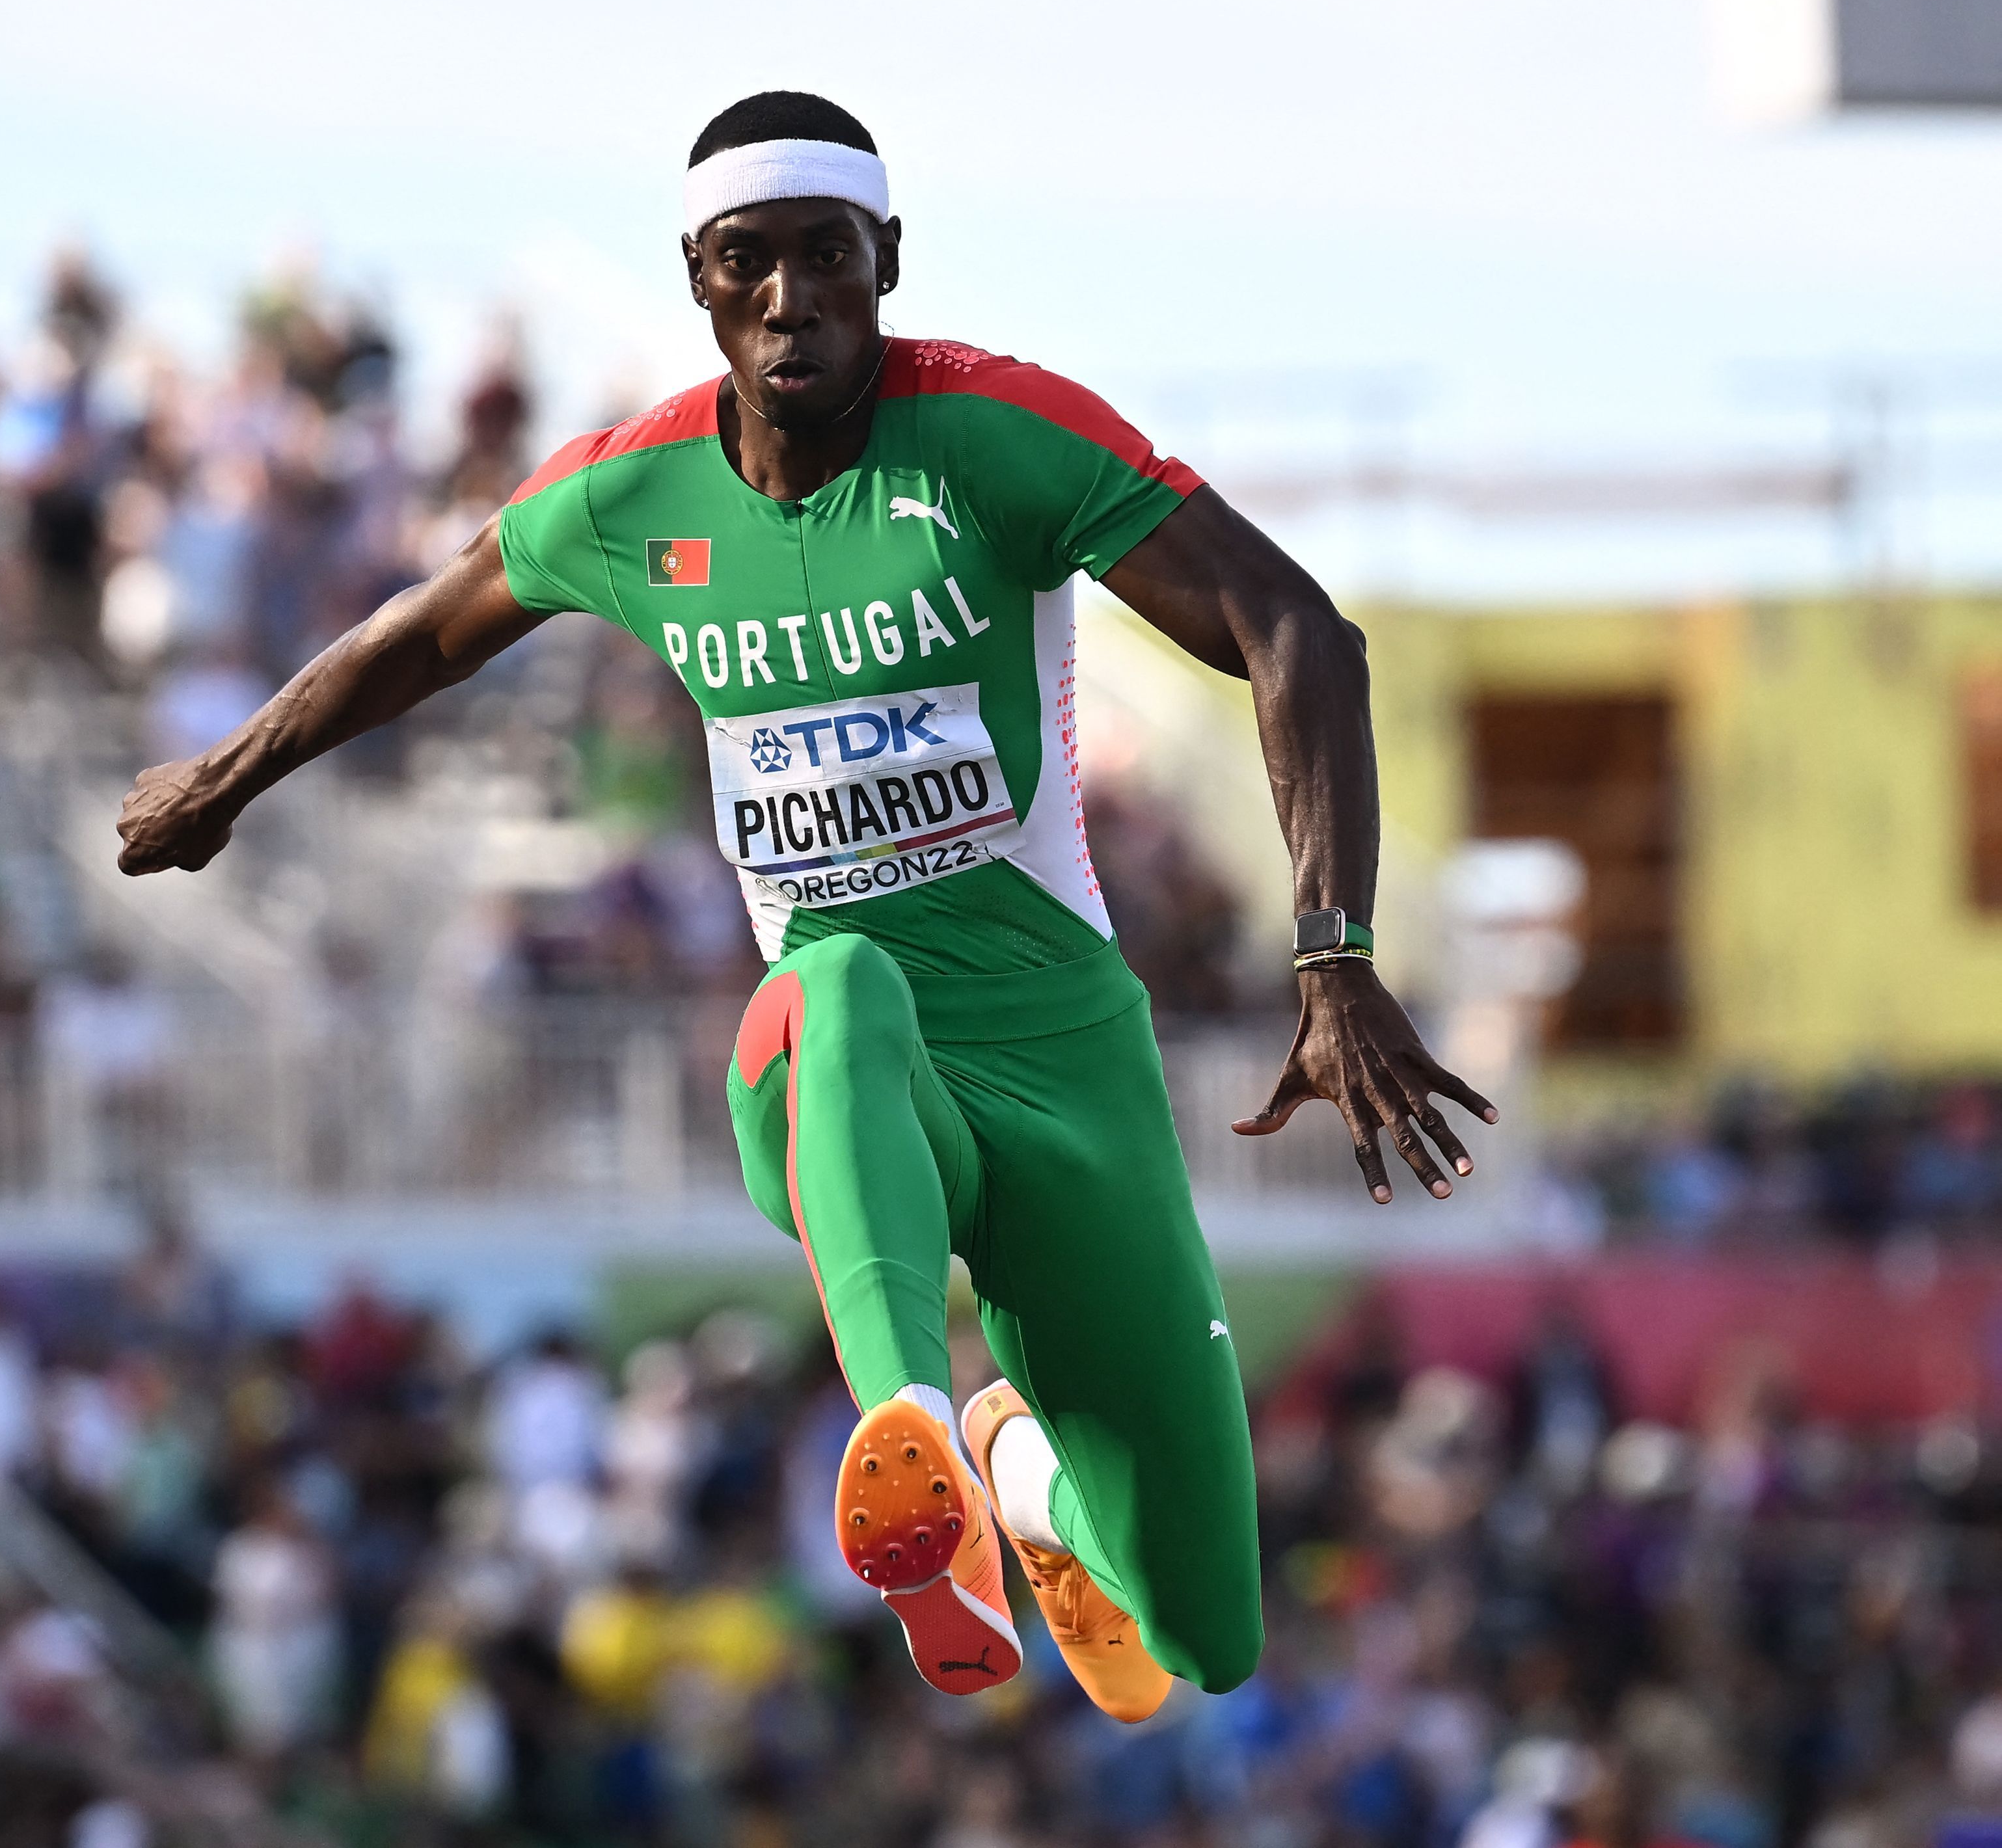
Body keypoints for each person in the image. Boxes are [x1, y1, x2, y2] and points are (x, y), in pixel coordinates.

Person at [115, 90, 1496, 1719]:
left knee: (1205, 1637)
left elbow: (1297, 631)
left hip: (1067, 1067)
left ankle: (1013, 1478)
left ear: (887, 261)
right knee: (842, 983)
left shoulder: (999, 437)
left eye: (826, 258)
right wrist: (224, 775)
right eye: (747, 262)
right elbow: (421, 633)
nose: (790, 298)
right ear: (698, 279)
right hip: (835, 1080)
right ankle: (913, 1434)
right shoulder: (629, 498)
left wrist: (1334, 956)